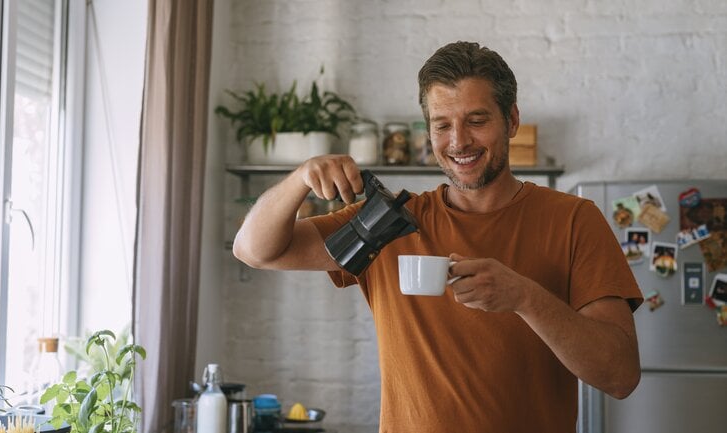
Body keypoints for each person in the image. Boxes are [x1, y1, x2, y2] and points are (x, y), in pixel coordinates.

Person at [233, 41, 642, 432]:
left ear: (512, 120)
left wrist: (525, 298)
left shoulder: (573, 220)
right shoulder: (388, 222)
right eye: (442, 124)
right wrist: (301, 178)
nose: (459, 141)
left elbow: (620, 376)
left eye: (477, 121)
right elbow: (254, 251)